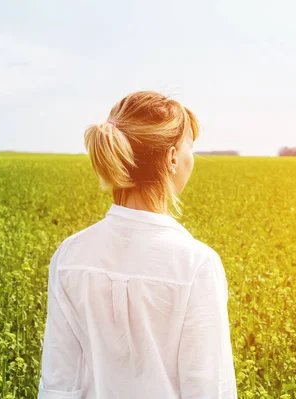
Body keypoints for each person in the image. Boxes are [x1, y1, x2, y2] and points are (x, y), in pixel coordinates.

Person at [37, 91, 237, 398]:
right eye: (189, 148)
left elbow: (58, 386)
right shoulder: (196, 265)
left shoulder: (70, 256)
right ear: (172, 157)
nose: (190, 159)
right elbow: (210, 390)